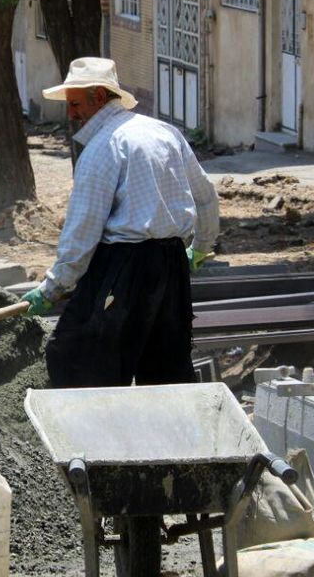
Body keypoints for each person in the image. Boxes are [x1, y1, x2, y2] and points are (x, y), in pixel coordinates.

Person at [21, 57, 219, 389]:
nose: (70, 114)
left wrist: (53, 287)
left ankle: (95, 439)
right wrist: (199, 249)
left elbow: (83, 230)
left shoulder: (103, 148)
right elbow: (206, 197)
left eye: (75, 104)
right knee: (165, 371)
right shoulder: (164, 132)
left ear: (98, 97)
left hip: (125, 267)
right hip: (172, 267)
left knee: (78, 360)